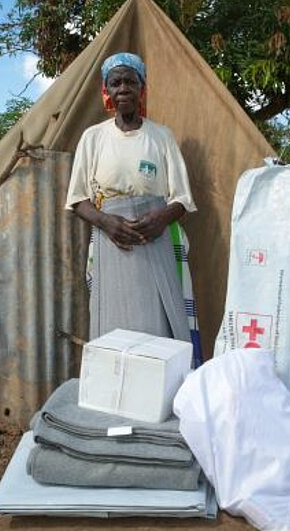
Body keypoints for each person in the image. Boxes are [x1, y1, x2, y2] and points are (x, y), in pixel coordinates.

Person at [65, 52, 201, 362]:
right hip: (111, 240)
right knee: (113, 325)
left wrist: (161, 218)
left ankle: (163, 390)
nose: (123, 88)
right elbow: (77, 200)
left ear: (141, 89)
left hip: (155, 236)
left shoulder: (161, 136)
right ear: (107, 91)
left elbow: (182, 198)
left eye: (130, 81)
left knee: (159, 327)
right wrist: (106, 222)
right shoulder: (93, 137)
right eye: (116, 82)